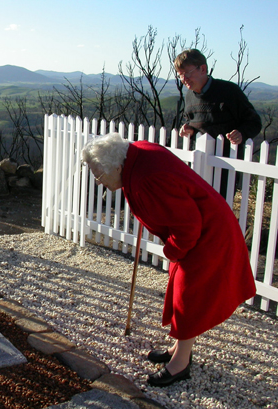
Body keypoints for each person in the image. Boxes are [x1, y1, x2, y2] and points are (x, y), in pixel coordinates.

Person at [81, 132, 256, 387]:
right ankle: (179, 349)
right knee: (181, 293)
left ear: (118, 167)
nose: (98, 182)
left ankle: (180, 365)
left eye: (99, 175)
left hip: (208, 235)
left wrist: (172, 251)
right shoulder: (134, 153)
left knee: (188, 297)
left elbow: (188, 227)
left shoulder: (146, 179)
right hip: (204, 226)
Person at [174, 49, 262, 198]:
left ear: (203, 69)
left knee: (219, 211)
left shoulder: (229, 91)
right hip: (198, 166)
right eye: (180, 75)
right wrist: (189, 129)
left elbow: (254, 121)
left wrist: (242, 133)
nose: (183, 79)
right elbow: (194, 123)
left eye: (187, 73)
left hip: (225, 168)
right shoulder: (189, 97)